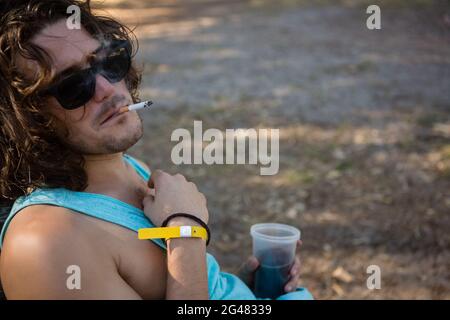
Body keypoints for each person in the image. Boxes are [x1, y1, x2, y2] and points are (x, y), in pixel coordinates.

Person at [0, 0, 312, 300]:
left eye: (108, 62)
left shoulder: (131, 169)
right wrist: (186, 233)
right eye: (72, 86)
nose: (107, 89)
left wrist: (238, 292)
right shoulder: (46, 244)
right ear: (24, 120)